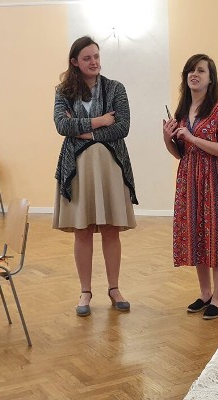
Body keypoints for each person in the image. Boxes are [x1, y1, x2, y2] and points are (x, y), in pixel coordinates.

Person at [53, 36, 137, 317]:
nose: (94, 62)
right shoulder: (63, 91)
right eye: (87, 58)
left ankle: (114, 289)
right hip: (77, 171)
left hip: (110, 169)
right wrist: (100, 121)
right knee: (83, 231)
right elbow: (61, 125)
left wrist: (83, 131)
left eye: (97, 57)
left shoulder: (115, 89)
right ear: (75, 62)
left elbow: (122, 127)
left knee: (111, 230)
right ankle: (85, 291)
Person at [162, 54, 218, 320]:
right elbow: (179, 153)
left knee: (217, 239)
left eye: (200, 71)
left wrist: (193, 138)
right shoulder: (182, 113)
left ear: (210, 78)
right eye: (190, 71)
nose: (194, 75)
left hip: (216, 182)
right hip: (189, 181)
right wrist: (168, 137)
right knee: (197, 236)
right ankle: (205, 293)